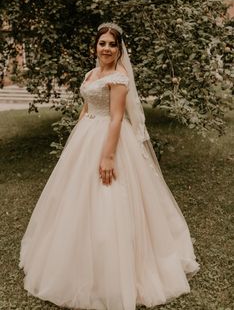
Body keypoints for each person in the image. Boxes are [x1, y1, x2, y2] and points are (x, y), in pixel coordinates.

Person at [19, 23, 200, 310]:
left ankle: (115, 269)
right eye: (101, 43)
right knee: (74, 200)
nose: (106, 48)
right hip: (86, 136)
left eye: (112, 44)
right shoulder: (92, 74)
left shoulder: (119, 77)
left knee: (110, 199)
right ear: (95, 47)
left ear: (119, 49)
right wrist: (76, 138)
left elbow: (116, 118)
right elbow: (87, 107)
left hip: (110, 139)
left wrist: (108, 156)